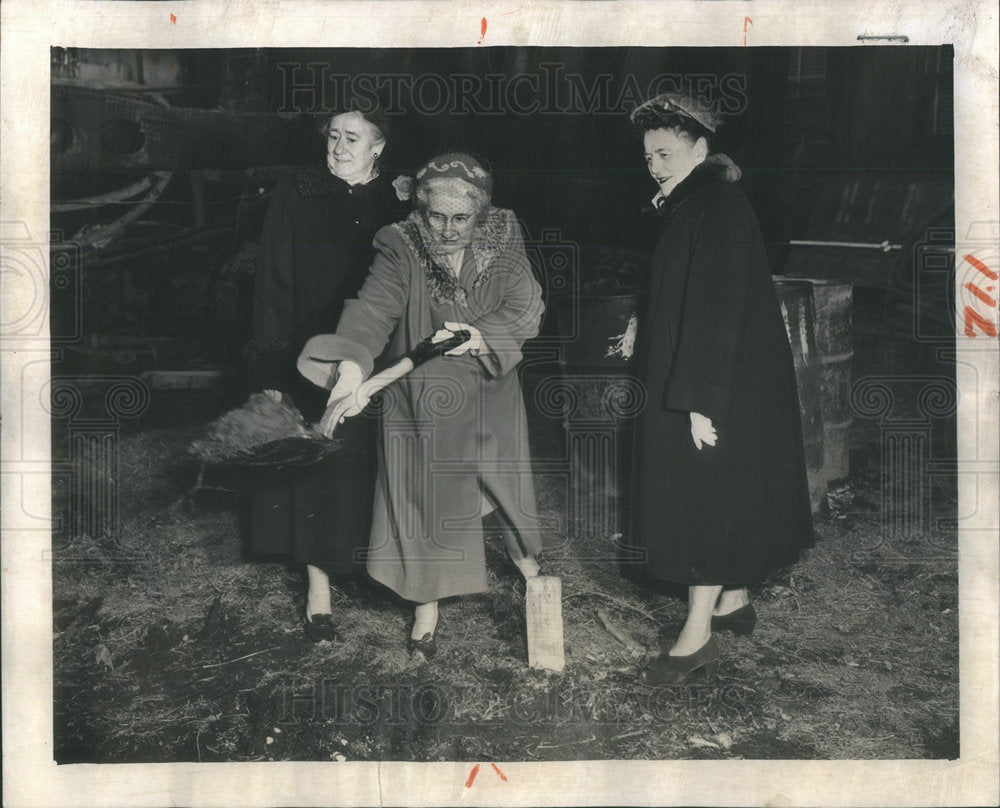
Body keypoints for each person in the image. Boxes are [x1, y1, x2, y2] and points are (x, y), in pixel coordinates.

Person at [297, 152, 544, 659]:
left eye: (462, 218)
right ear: (420, 209)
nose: (449, 230)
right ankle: (426, 607)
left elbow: (526, 305)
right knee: (428, 499)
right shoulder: (400, 242)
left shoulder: (504, 234)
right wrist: (351, 367)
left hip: (490, 386)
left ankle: (531, 569)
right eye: (437, 217)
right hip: (423, 400)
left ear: (481, 213)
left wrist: (481, 335)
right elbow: (374, 308)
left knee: (507, 488)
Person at [627, 92, 814, 683]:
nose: (654, 166)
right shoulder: (695, 203)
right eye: (648, 156)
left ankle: (697, 634)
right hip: (717, 373)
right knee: (725, 488)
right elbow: (683, 288)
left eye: (665, 153)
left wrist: (699, 402)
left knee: (702, 497)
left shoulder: (717, 205)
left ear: (700, 148)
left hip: (715, 379)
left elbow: (717, 310)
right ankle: (733, 599)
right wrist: (643, 320)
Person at [244, 106, 408, 643]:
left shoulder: (400, 198)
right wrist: (270, 369)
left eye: (352, 138)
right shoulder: (299, 190)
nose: (338, 147)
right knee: (315, 463)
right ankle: (319, 588)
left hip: (376, 356)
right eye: (333, 136)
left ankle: (374, 568)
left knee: (369, 464)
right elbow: (272, 278)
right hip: (307, 354)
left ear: (379, 146)